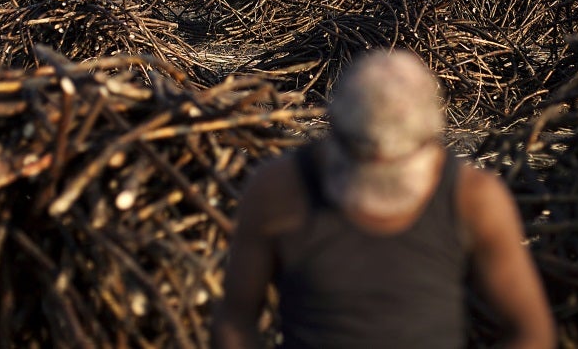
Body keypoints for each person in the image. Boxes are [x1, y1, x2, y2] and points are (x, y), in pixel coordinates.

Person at [214, 50, 556, 348]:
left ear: (433, 138)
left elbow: (531, 333)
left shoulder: (474, 199)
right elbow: (235, 320)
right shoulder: (280, 191)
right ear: (332, 127)